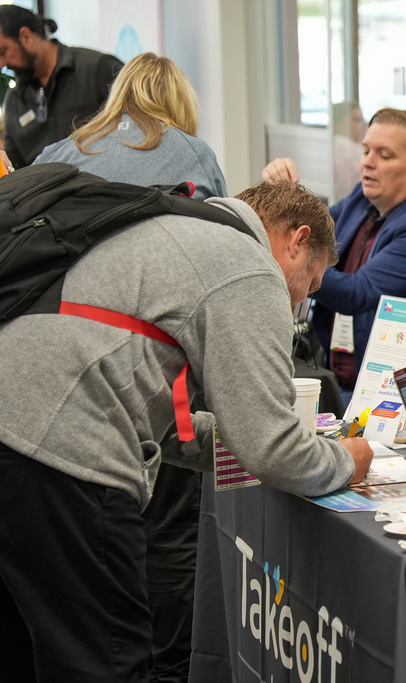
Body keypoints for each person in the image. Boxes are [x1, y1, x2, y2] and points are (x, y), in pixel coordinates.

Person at [0, 180, 374, 681]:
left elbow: (177, 426)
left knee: (31, 651)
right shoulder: (246, 266)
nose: (299, 306)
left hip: (19, 432)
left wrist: (248, 439)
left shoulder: (179, 228)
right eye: (310, 285)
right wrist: (350, 459)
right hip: (67, 452)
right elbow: (274, 449)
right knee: (108, 660)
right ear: (297, 240)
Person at [31, 52, 228, 682]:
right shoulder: (192, 157)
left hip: (42, 377)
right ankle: (170, 665)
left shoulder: (60, 151)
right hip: (146, 375)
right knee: (168, 527)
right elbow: (214, 269)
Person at [262, 108, 406, 396]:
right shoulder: (363, 200)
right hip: (339, 376)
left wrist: (293, 264)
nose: (367, 163)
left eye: (384, 155)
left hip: (399, 391)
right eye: (366, 151)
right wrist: (283, 196)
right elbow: (308, 232)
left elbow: (356, 293)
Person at [35, 52, 227, 200]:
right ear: (183, 103)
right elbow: (227, 233)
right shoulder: (195, 155)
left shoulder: (56, 154)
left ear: (119, 92)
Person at [0, 6, 122, 168]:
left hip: (107, 190)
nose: (2, 64)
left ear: (26, 36)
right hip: (42, 192)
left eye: (2, 52)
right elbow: (15, 172)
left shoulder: (98, 70)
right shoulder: (15, 101)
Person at [332, 100, 367, 198]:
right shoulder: (344, 147)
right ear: (337, 123)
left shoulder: (354, 145)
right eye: (356, 120)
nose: (363, 125)